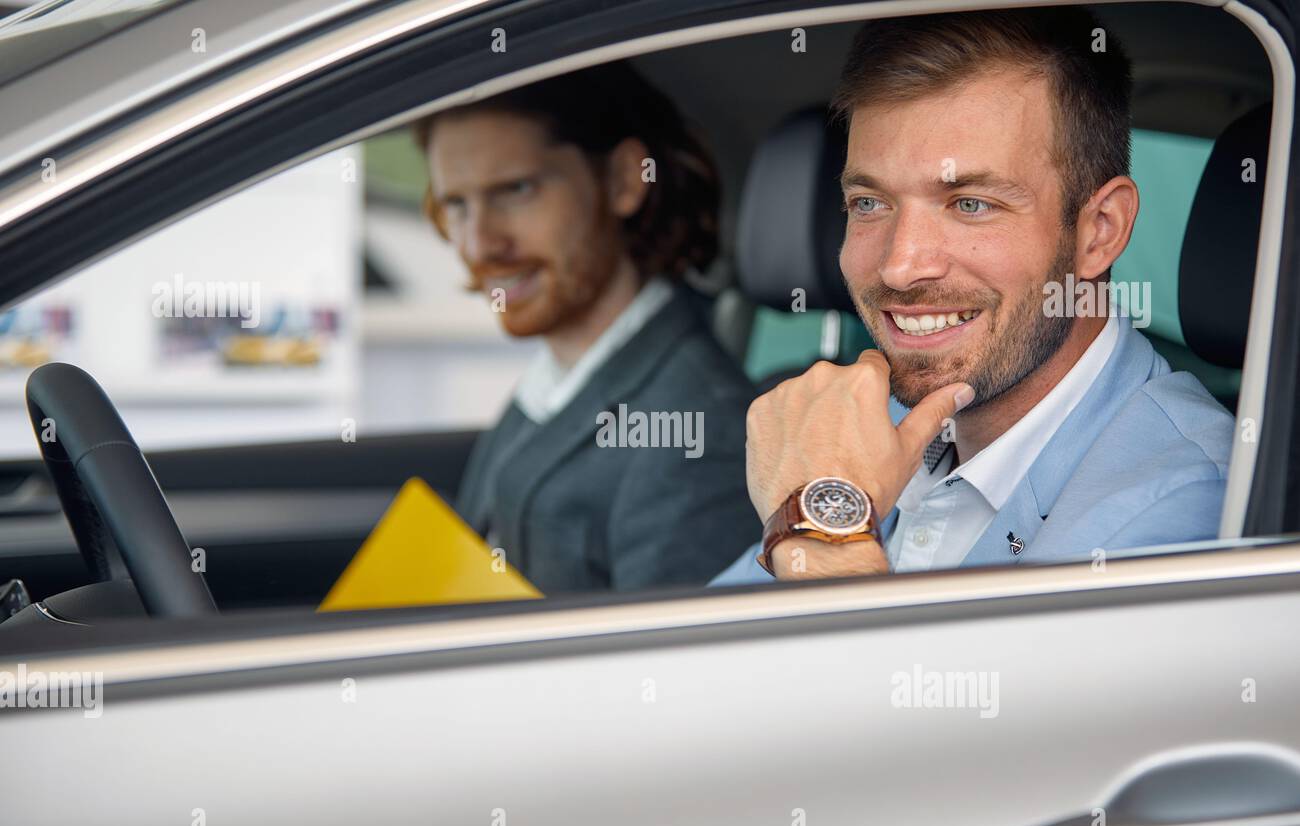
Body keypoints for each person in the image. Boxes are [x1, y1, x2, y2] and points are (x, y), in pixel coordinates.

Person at [716, 8, 1234, 585]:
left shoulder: (1185, 513)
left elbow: (893, 682)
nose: (900, 265)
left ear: (1101, 230)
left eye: (970, 204)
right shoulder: (871, 429)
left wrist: (827, 529)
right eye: (869, 203)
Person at [415, 63, 758, 593]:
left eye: (515, 190)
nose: (479, 244)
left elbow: (671, 669)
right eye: (456, 204)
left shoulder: (698, 430)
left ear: (623, 180)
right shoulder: (557, 376)